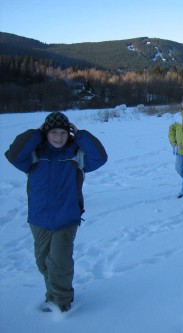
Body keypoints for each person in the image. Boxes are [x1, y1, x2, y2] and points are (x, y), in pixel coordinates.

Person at [4, 112, 108, 312]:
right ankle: (51, 296)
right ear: (46, 133)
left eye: (63, 132)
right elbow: (13, 155)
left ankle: (61, 304)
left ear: (68, 133)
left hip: (66, 218)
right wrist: (36, 134)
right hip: (38, 219)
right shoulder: (34, 155)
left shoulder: (76, 154)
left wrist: (80, 136)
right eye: (53, 132)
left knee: (59, 263)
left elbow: (100, 158)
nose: (58, 137)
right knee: (43, 263)